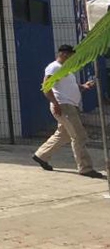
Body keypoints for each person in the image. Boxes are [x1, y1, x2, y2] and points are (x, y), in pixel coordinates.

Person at [32, 44, 105, 178]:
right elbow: (46, 86)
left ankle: (41, 155)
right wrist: (55, 103)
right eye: (71, 56)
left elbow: (69, 86)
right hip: (64, 106)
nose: (73, 58)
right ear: (64, 54)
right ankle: (85, 168)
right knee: (79, 135)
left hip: (69, 106)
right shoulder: (54, 67)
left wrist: (83, 86)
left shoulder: (66, 70)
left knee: (64, 135)